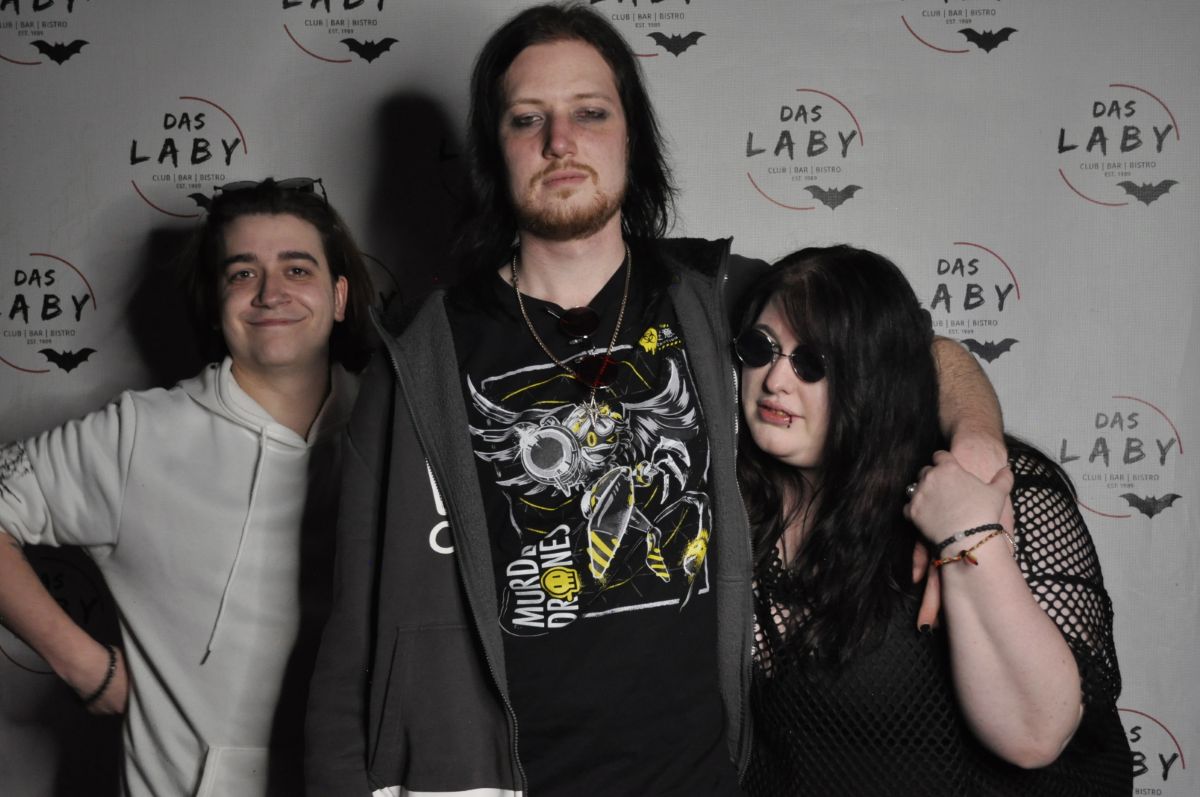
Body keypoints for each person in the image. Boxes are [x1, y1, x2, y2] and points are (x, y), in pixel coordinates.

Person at [304, 4, 1006, 795]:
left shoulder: (719, 300)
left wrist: (978, 448)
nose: (560, 141)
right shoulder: (416, 358)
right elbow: (352, 646)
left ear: (631, 136)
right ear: (494, 150)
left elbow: (913, 351)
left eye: (590, 112)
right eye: (527, 118)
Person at [0, 177, 373, 796]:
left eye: (297, 269)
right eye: (243, 273)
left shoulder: (398, 428)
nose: (271, 293)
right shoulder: (140, 434)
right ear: (217, 299)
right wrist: (85, 666)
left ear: (338, 297)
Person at [735, 245, 1131, 796]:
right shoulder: (727, 498)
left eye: (812, 363)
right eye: (761, 348)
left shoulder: (1001, 488)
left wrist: (968, 534)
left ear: (875, 377)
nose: (775, 379)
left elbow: (1036, 736)